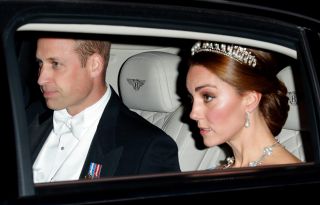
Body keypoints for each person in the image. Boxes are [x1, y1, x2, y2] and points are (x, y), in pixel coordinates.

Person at [29, 37, 180, 183]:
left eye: (55, 64)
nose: (41, 79)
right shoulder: (26, 117)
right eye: (40, 63)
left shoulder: (147, 148)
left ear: (94, 65)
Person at [186, 41, 301, 168]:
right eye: (191, 99)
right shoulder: (223, 169)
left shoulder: (288, 179)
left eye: (207, 97)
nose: (193, 114)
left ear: (250, 100)